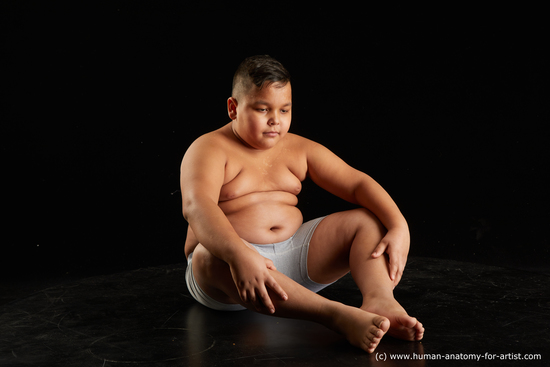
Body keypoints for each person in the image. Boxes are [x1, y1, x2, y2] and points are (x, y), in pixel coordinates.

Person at [180, 55, 424, 353]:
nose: (276, 120)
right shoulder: (208, 148)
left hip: (292, 257)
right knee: (207, 257)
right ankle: (333, 314)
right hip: (229, 277)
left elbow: (357, 183)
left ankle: (380, 299)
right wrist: (238, 254)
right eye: (262, 109)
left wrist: (400, 226)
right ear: (233, 108)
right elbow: (197, 207)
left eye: (285, 109)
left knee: (366, 221)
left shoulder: (298, 147)